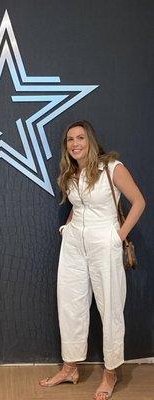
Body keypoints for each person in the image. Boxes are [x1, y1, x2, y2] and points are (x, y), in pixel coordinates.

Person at [39, 120, 145, 400]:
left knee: (109, 307)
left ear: (91, 140)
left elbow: (139, 202)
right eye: (70, 140)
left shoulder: (112, 168)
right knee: (70, 303)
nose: (75, 143)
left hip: (104, 242)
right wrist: (67, 229)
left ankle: (111, 372)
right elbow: (77, 206)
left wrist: (117, 236)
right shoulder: (71, 174)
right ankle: (70, 367)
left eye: (80, 138)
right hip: (73, 244)